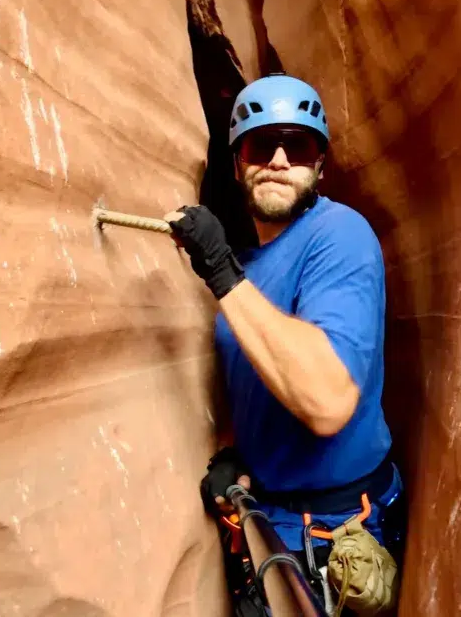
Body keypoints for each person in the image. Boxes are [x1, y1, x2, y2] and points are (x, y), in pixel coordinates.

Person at [167, 73, 405, 575]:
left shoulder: (340, 235)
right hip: (271, 524)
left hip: (341, 531)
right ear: (237, 164)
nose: (278, 161)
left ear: (318, 166)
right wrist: (239, 454)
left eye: (296, 148)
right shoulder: (248, 268)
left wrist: (219, 271)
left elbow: (326, 401)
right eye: (260, 145)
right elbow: (253, 375)